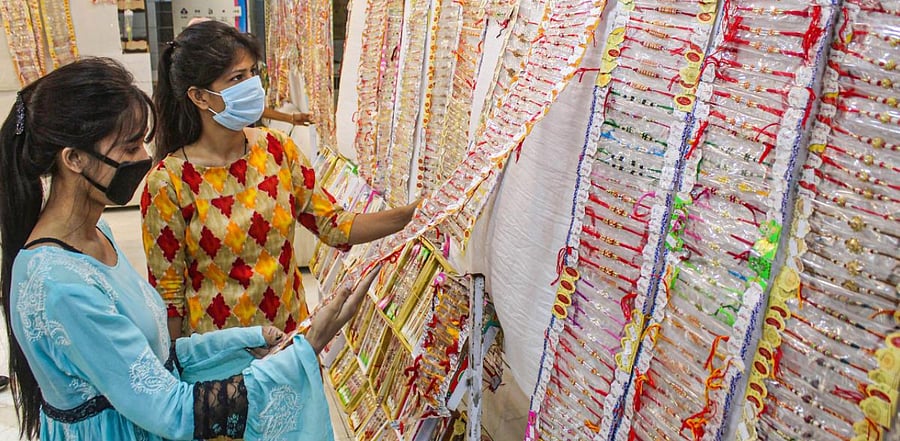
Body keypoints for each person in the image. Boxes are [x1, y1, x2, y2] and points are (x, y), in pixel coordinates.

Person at [0, 57, 379, 441]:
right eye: (130, 147)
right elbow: (171, 409)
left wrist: (248, 343)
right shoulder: (59, 285)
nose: (142, 159)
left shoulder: (98, 233)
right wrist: (304, 351)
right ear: (74, 159)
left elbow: (155, 358)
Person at [144, 20, 417, 339]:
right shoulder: (169, 183)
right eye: (236, 78)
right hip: (217, 362)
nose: (252, 85)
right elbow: (168, 294)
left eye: (251, 73)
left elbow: (334, 225)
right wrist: (175, 367)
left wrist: (410, 215)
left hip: (289, 345)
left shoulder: (275, 150)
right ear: (199, 97)